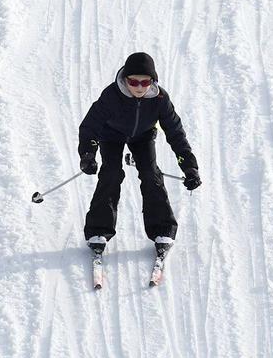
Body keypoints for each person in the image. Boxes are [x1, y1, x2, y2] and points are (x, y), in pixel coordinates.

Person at [77, 52, 200, 251]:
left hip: (143, 136)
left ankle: (162, 229)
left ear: (153, 81)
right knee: (111, 173)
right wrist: (88, 154)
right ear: (126, 79)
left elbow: (176, 133)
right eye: (134, 82)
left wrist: (189, 167)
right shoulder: (111, 95)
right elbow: (90, 126)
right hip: (112, 135)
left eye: (145, 82)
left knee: (151, 174)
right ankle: (98, 230)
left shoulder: (159, 98)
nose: (139, 87)